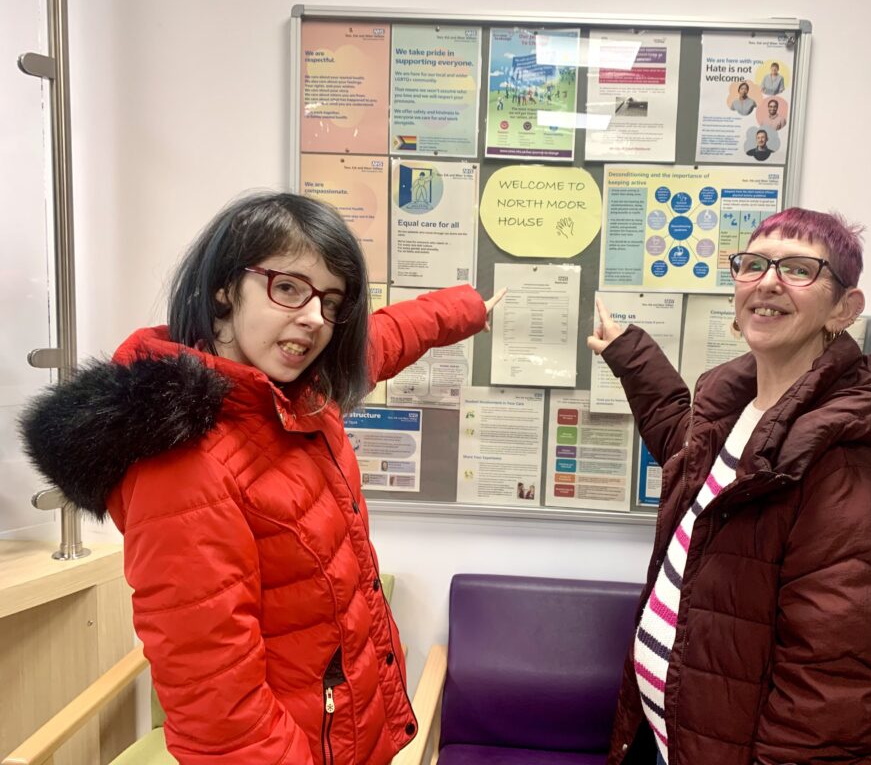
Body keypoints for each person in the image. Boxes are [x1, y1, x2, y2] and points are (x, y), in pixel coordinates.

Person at [20, 192, 506, 764]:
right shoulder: (181, 463)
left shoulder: (295, 392)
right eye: (289, 288)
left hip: (348, 733)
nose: (314, 319)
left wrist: (467, 307)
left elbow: (390, 336)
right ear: (225, 287)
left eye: (331, 301)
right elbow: (219, 711)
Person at [588, 207, 871, 764]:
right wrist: (632, 355)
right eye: (754, 264)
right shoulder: (743, 405)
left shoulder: (845, 467)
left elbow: (829, 698)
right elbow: (685, 446)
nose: (768, 280)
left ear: (844, 308)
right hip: (669, 733)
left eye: (798, 269)